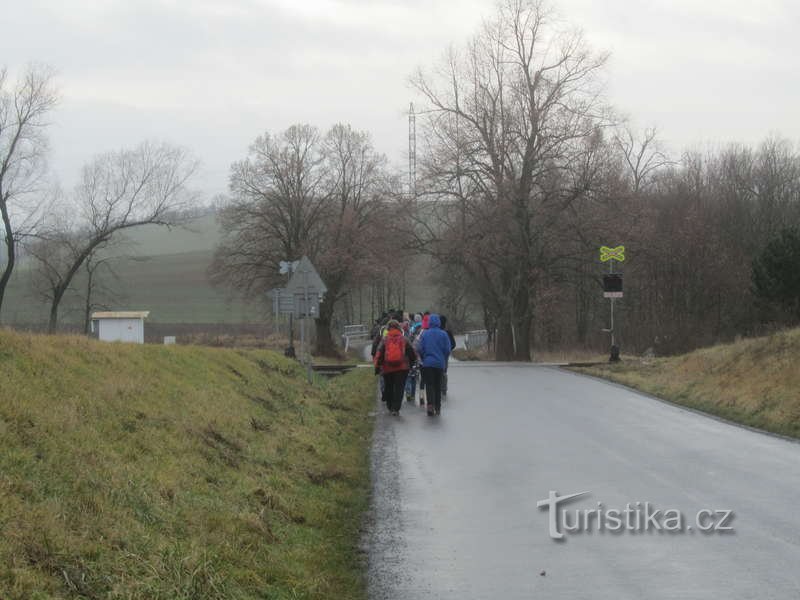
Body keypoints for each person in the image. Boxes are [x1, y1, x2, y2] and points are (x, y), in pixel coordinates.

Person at [374, 320, 418, 416]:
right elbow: (412, 353)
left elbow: (379, 353)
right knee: (399, 388)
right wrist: (411, 363)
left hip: (387, 368)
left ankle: (390, 406)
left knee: (389, 386)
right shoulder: (404, 339)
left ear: (388, 328)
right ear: (399, 328)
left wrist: (377, 366)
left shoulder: (385, 340)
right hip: (402, 368)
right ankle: (396, 408)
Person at [417, 313, 452, 416]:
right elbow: (447, 349)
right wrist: (443, 357)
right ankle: (438, 407)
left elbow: (420, 348)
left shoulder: (425, 334)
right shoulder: (444, 334)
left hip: (427, 364)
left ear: (429, 322)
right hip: (439, 364)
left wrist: (424, 357)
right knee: (437, 386)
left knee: (429, 385)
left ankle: (430, 406)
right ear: (439, 322)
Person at [439, 315, 457, 397]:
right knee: (444, 372)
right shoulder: (448, 332)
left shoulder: (435, 331)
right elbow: (453, 344)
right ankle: (444, 388)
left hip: (436, 354)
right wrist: (448, 350)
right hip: (445, 355)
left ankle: (438, 387)